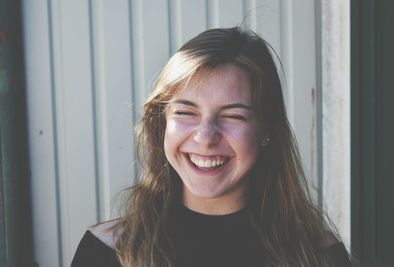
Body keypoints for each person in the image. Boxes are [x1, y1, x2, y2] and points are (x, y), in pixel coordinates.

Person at [71, 27, 351, 267]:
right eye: (185, 112)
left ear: (266, 131)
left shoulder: (318, 256)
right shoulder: (107, 253)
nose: (205, 137)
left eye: (233, 115)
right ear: (161, 125)